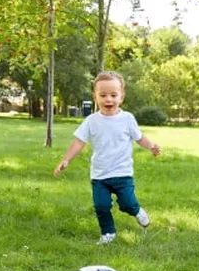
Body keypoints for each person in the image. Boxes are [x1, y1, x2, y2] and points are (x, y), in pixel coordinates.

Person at [53, 71, 161, 245]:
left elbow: (139, 137)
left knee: (127, 203)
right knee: (101, 206)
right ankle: (108, 233)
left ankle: (136, 210)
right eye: (103, 95)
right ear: (95, 96)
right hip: (100, 175)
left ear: (122, 97)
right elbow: (79, 142)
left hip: (122, 173)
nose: (108, 99)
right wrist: (66, 159)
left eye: (113, 95)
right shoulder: (91, 121)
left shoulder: (127, 119)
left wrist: (152, 147)